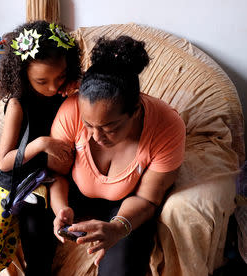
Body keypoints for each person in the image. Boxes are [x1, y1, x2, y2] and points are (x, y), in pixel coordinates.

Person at [48, 35, 186, 275]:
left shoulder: (166, 127)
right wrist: (61, 209)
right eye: (88, 125)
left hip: (127, 204)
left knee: (121, 267)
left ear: (135, 111)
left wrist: (118, 228)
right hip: (75, 193)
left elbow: (147, 199)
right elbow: (55, 174)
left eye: (109, 128)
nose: (95, 136)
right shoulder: (71, 111)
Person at [0, 20, 81, 276]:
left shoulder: (62, 92)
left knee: (28, 249)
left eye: (60, 77)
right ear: (24, 75)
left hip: (39, 179)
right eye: (42, 81)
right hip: (9, 183)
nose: (53, 87)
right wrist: (42, 144)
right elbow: (4, 161)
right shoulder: (17, 105)